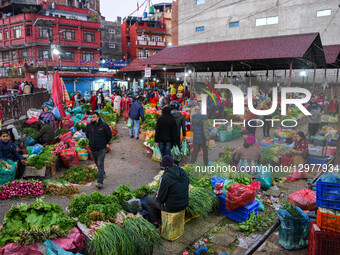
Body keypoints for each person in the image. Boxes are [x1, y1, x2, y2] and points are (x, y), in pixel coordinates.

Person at [146, 155, 189, 228]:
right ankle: (160, 217)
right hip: (184, 204)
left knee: (149, 200)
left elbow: (160, 199)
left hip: (172, 207)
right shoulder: (183, 172)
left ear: (166, 167)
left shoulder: (165, 177)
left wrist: (157, 194)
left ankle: (155, 224)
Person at [86, 112, 112, 189]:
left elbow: (109, 136)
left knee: (100, 164)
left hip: (101, 148)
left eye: (94, 117)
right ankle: (102, 173)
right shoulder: (89, 126)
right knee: (97, 163)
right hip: (93, 148)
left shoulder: (104, 126)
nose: (92, 119)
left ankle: (100, 182)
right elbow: (87, 135)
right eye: (91, 117)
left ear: (98, 118)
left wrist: (104, 143)